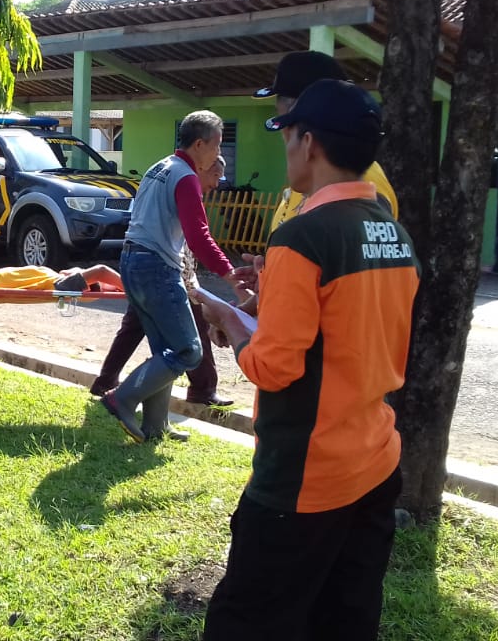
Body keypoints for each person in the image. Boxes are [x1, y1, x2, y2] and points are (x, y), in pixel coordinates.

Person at [194, 80, 419, 641]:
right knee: (345, 620)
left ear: (309, 142)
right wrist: (268, 296)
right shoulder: (393, 233)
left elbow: (275, 368)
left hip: (304, 477)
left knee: (245, 623)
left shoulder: (302, 237)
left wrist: (231, 323)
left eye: (287, 135)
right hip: (375, 459)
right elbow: (347, 327)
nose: (287, 148)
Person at [97, 110, 241, 443]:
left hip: (131, 260)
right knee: (189, 351)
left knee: (165, 348)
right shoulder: (186, 177)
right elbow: (199, 237)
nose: (218, 154)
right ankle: (122, 398)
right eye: (217, 145)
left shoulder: (159, 167)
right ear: (200, 144)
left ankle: (156, 425)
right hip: (157, 267)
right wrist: (230, 273)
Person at [90, 156, 232, 408]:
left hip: (143, 267)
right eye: (215, 176)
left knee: (141, 333)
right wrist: (221, 279)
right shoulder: (184, 182)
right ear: (202, 166)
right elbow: (193, 243)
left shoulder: (162, 173)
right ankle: (124, 397)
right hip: (165, 273)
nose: (217, 184)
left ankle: (111, 387)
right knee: (189, 346)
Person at [257, 51, 399, 230]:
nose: (285, 134)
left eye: (286, 124)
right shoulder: (312, 176)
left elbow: (368, 243)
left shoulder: (360, 181)